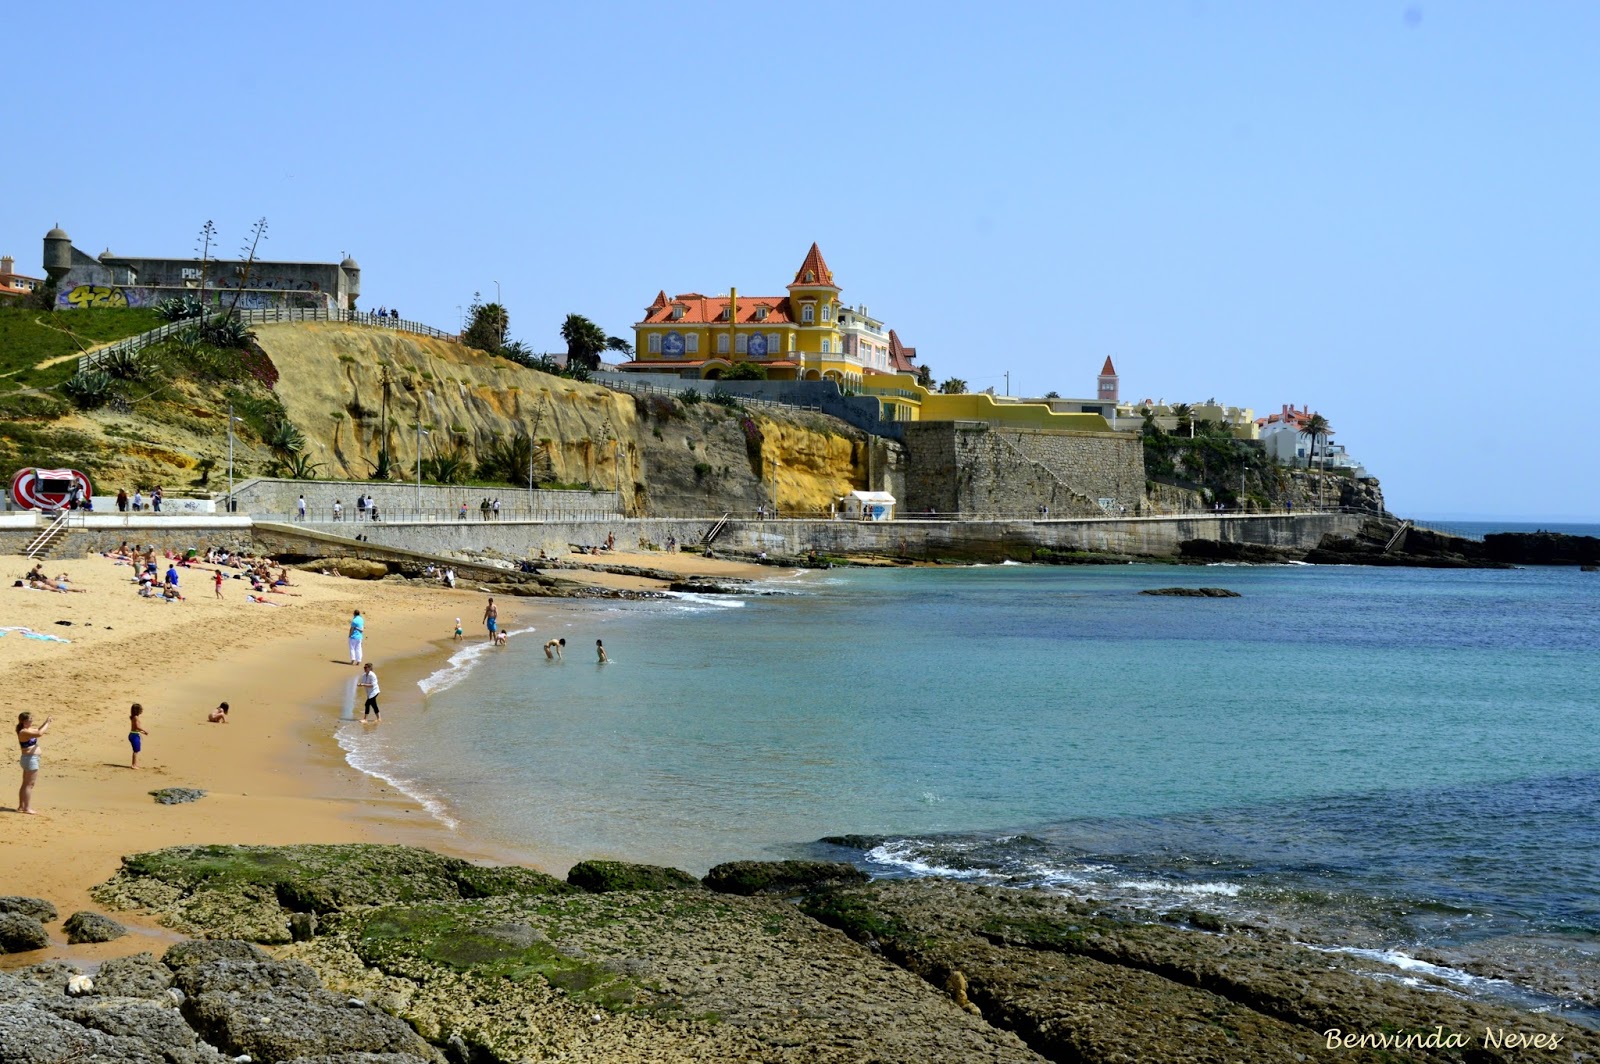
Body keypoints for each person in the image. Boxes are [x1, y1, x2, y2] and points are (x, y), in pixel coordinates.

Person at [15, 711, 50, 814]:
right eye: (29, 720)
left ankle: (22, 806)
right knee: (29, 784)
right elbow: (39, 733)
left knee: (25, 783)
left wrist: (46, 722)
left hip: (29, 759)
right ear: (24, 722)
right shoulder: (23, 732)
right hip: (30, 759)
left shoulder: (28, 729)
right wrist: (47, 724)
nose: (31, 721)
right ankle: (27, 808)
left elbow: (38, 730)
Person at [128, 703, 148, 769]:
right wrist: (144, 730)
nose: (141, 710)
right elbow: (137, 727)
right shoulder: (136, 718)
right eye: (140, 709)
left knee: (136, 750)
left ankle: (135, 764)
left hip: (134, 734)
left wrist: (142, 732)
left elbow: (135, 728)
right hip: (134, 735)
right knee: (135, 751)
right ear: (137, 710)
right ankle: (133, 765)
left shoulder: (134, 717)